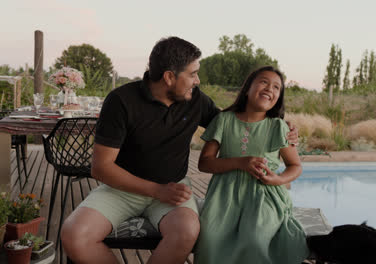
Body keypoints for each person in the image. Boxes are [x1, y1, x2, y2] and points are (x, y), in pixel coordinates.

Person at [60, 37, 299, 264]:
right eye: (193, 74)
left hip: (175, 189)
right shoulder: (121, 100)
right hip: (122, 189)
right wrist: (156, 190)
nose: (197, 81)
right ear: (169, 77)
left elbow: (234, 125)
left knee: (187, 231)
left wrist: (282, 127)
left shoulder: (196, 100)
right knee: (74, 235)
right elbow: (101, 168)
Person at [194, 66, 309, 264]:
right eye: (264, 82)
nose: (269, 89)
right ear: (247, 88)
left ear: (278, 98)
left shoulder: (279, 127)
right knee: (210, 238)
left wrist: (278, 179)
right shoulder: (223, 120)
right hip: (224, 195)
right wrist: (240, 162)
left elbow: (295, 166)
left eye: (276, 87)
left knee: (256, 239)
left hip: (264, 195)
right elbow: (204, 163)